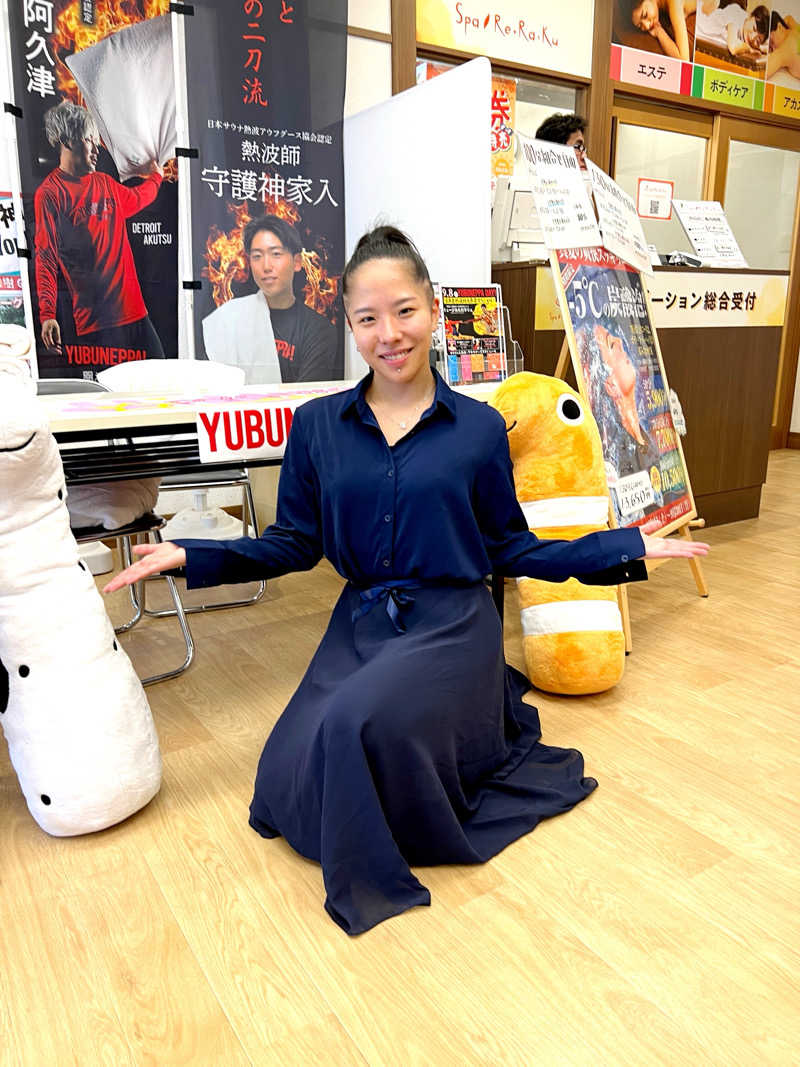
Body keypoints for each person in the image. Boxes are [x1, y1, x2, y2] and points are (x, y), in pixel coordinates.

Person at [104, 226, 709, 935]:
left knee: (354, 727)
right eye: (368, 318)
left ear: (431, 309)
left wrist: (621, 546)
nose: (389, 334)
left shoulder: (479, 429)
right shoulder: (318, 427)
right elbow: (294, 545)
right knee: (289, 768)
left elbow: (512, 548)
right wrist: (193, 556)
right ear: (349, 324)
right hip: (361, 623)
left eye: (404, 311)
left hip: (454, 622)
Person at [34, 100, 165, 360]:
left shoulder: (104, 183)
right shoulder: (49, 194)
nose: (96, 149)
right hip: (98, 325)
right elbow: (45, 257)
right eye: (89, 140)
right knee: (112, 397)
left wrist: (157, 177)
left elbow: (138, 198)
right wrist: (48, 314)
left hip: (137, 314)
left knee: (159, 384)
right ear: (68, 141)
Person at [202, 215, 338, 384]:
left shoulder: (318, 330)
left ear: (296, 262)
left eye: (276, 254)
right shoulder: (228, 320)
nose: (266, 266)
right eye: (257, 256)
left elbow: (308, 401)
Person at [697, 1, 770, 57]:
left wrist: (760, 48)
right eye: (754, 28)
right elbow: (733, 48)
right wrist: (750, 49)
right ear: (750, 15)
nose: (752, 37)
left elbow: (766, 45)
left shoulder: (744, 34)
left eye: (758, 40)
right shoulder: (736, 13)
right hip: (697, 24)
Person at [631, 0, 696, 61]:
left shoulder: (674, 3)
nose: (647, 26)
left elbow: (684, 60)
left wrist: (659, 32)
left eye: (645, 15)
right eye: (640, 25)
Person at [766, 12, 800, 81]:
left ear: (779, 27)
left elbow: (763, 73)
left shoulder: (785, 50)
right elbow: (788, 18)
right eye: (770, 48)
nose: (773, 50)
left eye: (772, 42)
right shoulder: (794, 27)